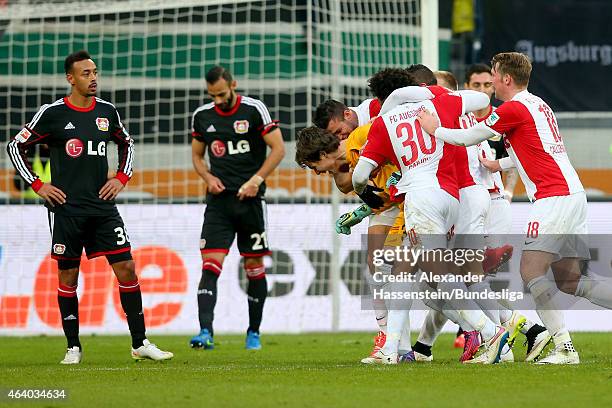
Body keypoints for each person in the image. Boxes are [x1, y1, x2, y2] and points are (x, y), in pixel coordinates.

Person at [418, 52, 612, 364]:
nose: (491, 82)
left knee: (531, 270)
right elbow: (539, 148)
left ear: (506, 79)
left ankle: (564, 348)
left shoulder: (514, 107)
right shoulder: (538, 104)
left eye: (493, 75)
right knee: (571, 280)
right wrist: (499, 162)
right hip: (572, 194)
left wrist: (433, 128)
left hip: (553, 197)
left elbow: (469, 136)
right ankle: (561, 345)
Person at [6, 50, 173, 364]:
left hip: (103, 207)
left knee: (127, 268)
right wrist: (38, 185)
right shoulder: (52, 113)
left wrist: (123, 176)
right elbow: (15, 146)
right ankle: (73, 347)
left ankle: (140, 343)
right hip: (66, 210)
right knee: (68, 277)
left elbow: (127, 143)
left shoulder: (107, 111)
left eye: (95, 72)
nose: (93, 78)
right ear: (71, 78)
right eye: (85, 73)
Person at [353, 68, 509, 364]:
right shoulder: (440, 101)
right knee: (403, 272)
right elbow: (479, 98)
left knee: (438, 275)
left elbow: (360, 175)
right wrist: (439, 95)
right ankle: (391, 350)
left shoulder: (383, 122)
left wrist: (365, 193)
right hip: (452, 197)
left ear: (380, 98)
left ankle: (491, 332)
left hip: (422, 200)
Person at [190, 66, 285, 350]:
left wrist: (256, 180)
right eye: (212, 95)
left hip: (252, 201)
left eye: (222, 94)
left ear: (233, 85)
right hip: (219, 204)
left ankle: (253, 332)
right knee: (210, 265)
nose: (218, 100)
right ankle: (205, 332)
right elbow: (196, 156)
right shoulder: (202, 116)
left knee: (254, 266)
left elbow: (278, 149)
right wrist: (207, 177)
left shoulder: (254, 109)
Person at [463, 63, 519, 203]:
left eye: (487, 85)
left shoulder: (504, 118)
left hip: (494, 197)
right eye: (476, 85)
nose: (482, 90)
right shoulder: (457, 120)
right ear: (466, 87)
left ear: (493, 87)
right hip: (463, 196)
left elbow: (514, 158)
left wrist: (509, 191)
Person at [313, 98, 381, 140]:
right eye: (334, 135)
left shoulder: (379, 108)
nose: (339, 138)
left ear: (347, 114)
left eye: (339, 131)